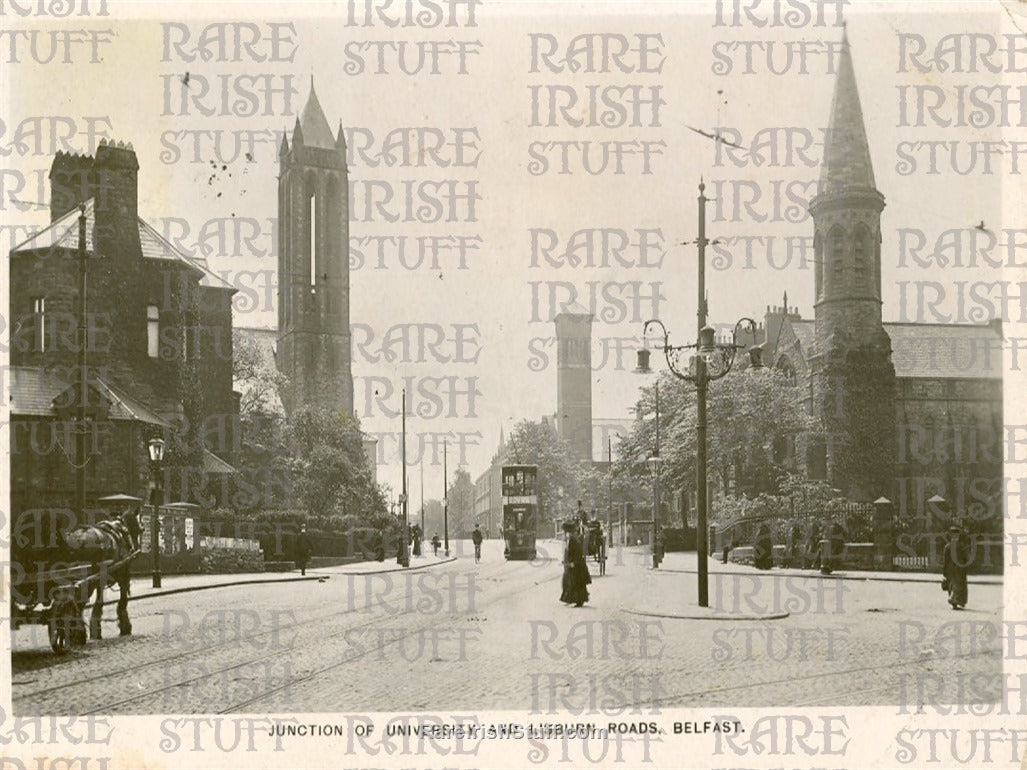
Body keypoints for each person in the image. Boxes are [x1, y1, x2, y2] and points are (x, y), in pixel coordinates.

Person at [560, 519, 591, 607]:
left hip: (577, 564)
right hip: (576, 564)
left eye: (564, 532)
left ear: (567, 531)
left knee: (576, 582)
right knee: (572, 581)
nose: (564, 534)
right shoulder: (571, 538)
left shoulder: (573, 539)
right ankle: (574, 599)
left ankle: (578, 601)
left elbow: (577, 552)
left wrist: (573, 563)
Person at [942, 523, 970, 610]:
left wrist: (944, 571)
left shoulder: (947, 546)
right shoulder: (961, 546)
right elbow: (966, 558)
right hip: (960, 569)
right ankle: (958, 600)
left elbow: (945, 561)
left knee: (952, 584)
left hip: (951, 569)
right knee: (959, 585)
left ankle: (954, 600)